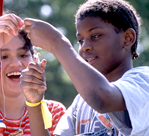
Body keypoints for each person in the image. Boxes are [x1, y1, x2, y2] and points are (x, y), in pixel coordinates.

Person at [20, 0, 149, 135]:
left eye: (95, 36)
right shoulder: (81, 103)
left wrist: (58, 44)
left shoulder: (143, 82)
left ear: (127, 38)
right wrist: (34, 103)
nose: (84, 47)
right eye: (80, 41)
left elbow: (101, 98)